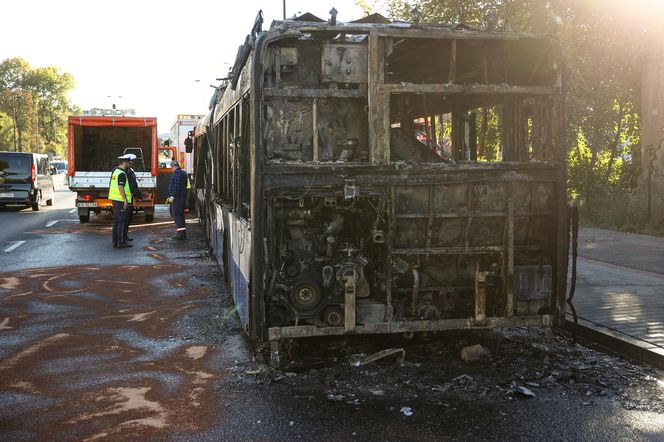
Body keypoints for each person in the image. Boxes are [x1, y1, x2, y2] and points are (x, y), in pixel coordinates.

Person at [109, 154, 133, 248]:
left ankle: (115, 241)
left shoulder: (115, 171)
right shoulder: (122, 173)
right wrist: (125, 200)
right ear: (125, 162)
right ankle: (120, 242)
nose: (129, 164)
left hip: (115, 199)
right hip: (120, 200)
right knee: (121, 221)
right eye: (128, 162)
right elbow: (120, 187)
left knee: (116, 221)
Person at [167, 160, 188, 240]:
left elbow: (176, 186)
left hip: (177, 198)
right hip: (183, 197)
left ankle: (180, 235)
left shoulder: (176, 173)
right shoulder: (183, 172)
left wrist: (173, 196)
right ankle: (183, 233)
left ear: (173, 166)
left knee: (177, 216)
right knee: (181, 215)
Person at [124, 154, 142, 242]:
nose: (132, 163)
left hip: (128, 197)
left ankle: (124, 236)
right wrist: (139, 195)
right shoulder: (128, 171)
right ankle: (123, 236)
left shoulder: (129, 170)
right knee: (126, 218)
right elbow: (133, 184)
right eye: (132, 161)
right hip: (127, 198)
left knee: (128, 218)